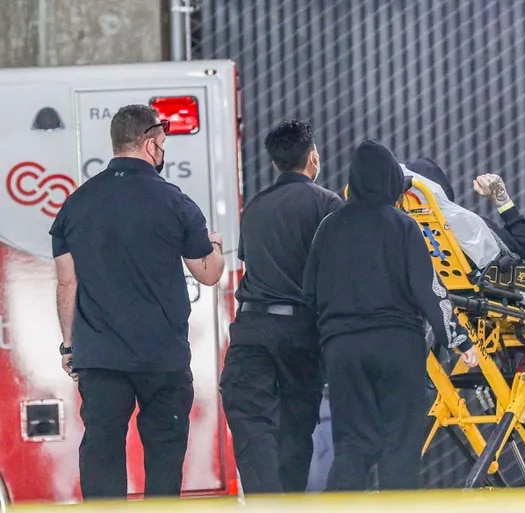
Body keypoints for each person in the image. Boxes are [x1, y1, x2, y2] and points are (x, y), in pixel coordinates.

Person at [49, 104, 225, 500]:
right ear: (149, 144)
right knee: (164, 454)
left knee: (102, 450)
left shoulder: (76, 204)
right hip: (162, 357)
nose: (163, 152)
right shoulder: (175, 201)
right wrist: (215, 247)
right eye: (162, 143)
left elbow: (66, 281)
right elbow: (208, 274)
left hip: (100, 357)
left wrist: (69, 346)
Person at [302, 139, 480, 492]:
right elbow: (430, 290)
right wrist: (459, 339)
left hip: (343, 350)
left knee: (352, 446)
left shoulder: (329, 227)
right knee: (399, 447)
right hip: (396, 347)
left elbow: (310, 292)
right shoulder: (403, 226)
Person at [219, 120, 343, 495]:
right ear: (313, 157)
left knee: (250, 419)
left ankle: (264, 499)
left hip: (251, 328)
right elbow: (337, 271)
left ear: (275, 162)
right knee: (296, 425)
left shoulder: (255, 207)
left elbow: (251, 261)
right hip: (300, 332)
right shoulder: (327, 204)